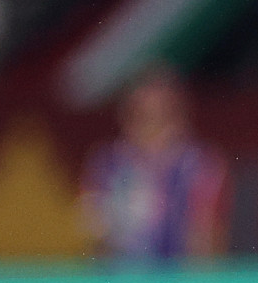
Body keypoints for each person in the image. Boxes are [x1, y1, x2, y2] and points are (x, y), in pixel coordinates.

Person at [81, 68, 230, 265]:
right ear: (126, 119)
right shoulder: (106, 164)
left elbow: (204, 244)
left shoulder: (202, 165)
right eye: (142, 116)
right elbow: (94, 242)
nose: (152, 129)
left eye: (162, 116)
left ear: (180, 119)